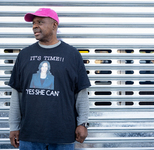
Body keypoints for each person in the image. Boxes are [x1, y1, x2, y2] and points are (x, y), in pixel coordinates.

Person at [8, 8, 91, 150]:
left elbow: (81, 93)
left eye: (40, 22)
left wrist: (82, 123)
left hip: (63, 135)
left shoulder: (72, 54)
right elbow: (17, 94)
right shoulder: (25, 55)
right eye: (33, 23)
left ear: (54, 25)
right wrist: (13, 127)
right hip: (30, 135)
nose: (35, 26)